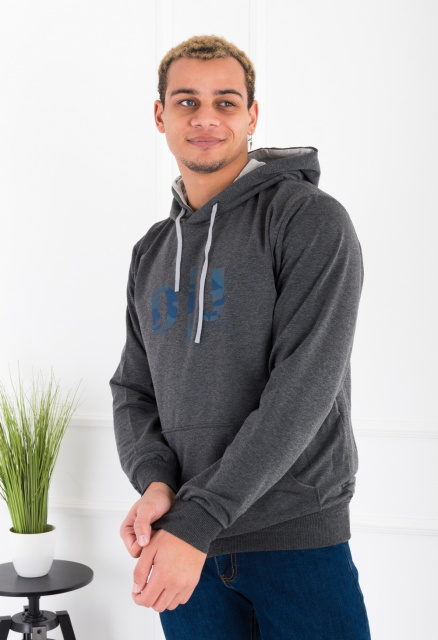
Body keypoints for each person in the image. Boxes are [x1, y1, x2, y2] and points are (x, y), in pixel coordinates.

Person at [110, 34, 372, 640]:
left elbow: (303, 388)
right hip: (184, 546)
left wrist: (196, 521)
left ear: (252, 117)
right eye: (187, 102)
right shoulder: (152, 251)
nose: (205, 118)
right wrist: (156, 482)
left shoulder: (309, 219)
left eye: (225, 102)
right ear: (160, 116)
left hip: (294, 542)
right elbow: (132, 389)